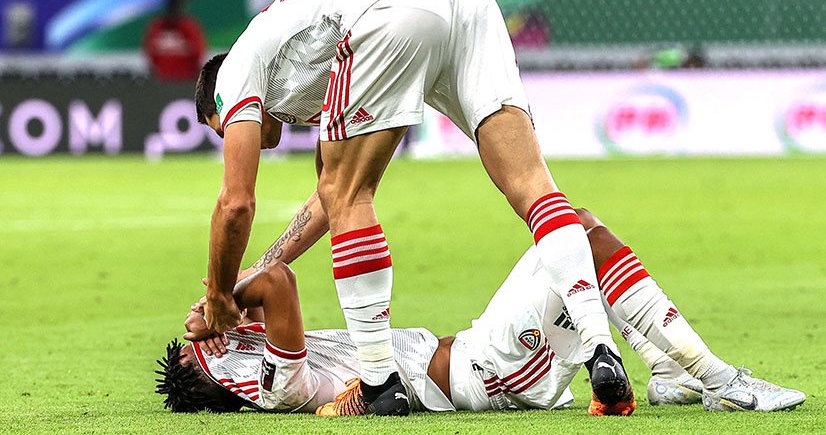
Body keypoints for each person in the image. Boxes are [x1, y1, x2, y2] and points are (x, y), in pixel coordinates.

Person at [193, 0, 626, 415]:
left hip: (391, 11)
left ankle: (380, 383)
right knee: (531, 184)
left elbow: (236, 204)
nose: (236, 138)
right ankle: (601, 346)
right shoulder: (300, 68)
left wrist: (220, 293)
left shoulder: (235, 73)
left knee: (351, 196)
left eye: (224, 129)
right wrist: (258, 269)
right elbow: (326, 194)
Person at [156, 197, 806, 415]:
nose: (211, 334)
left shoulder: (264, 364)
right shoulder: (277, 388)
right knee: (574, 232)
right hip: (489, 372)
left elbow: (325, 208)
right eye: (205, 347)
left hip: (479, 358)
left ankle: (667, 372)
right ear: (220, 374)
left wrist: (225, 302)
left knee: (571, 238)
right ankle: (718, 380)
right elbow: (277, 284)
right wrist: (221, 298)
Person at [144, 0, 206, 81]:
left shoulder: (189, 26)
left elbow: (198, 53)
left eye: (176, 6)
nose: (174, 10)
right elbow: (150, 52)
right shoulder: (157, 27)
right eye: (171, 6)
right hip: (162, 79)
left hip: (185, 79)